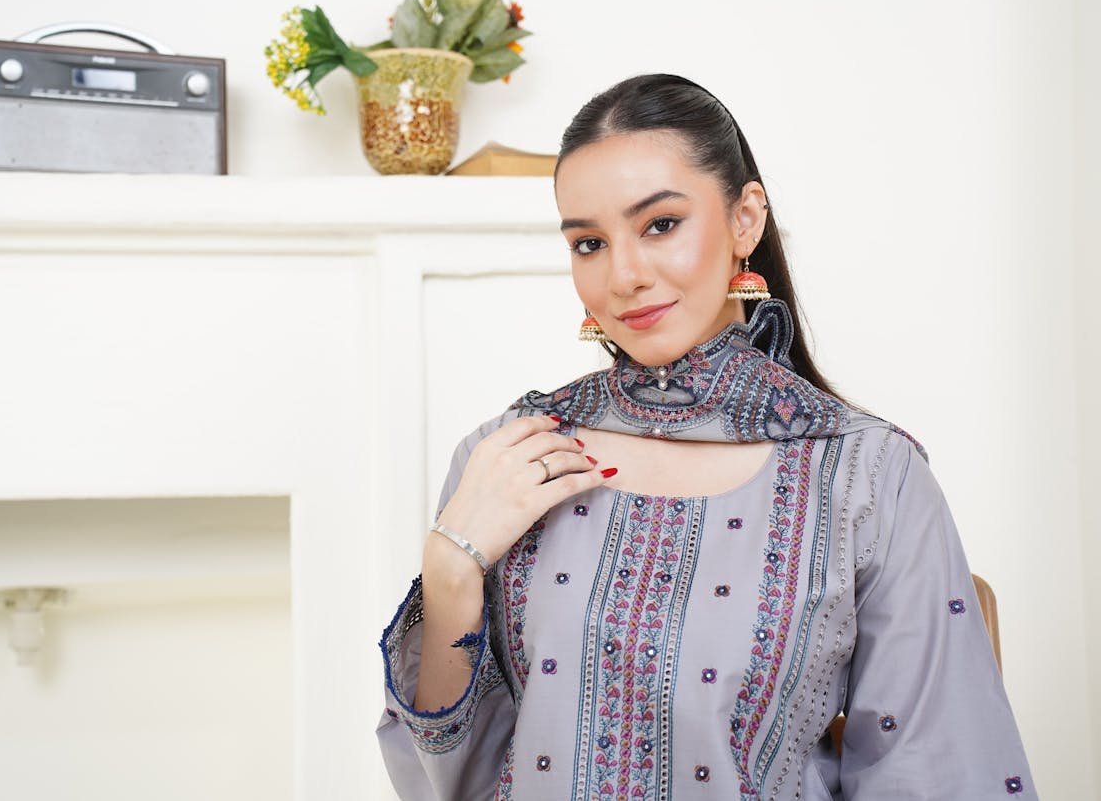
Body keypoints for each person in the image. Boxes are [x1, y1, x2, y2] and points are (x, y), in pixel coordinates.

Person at [375, 73, 1036, 800]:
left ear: (745, 218)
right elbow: (450, 779)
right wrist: (449, 568)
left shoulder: (867, 473)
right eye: (589, 242)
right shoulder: (510, 455)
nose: (623, 275)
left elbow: (936, 771)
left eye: (660, 225)